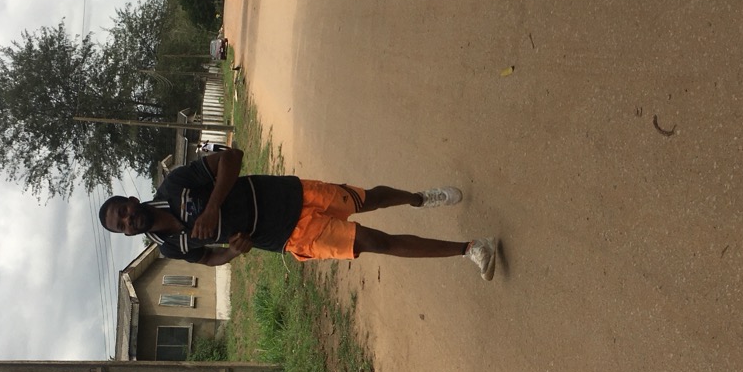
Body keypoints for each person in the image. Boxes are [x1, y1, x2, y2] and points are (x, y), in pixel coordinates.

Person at [98, 146, 497, 279]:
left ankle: (420, 198)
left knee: (368, 198)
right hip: (286, 236)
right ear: (127, 234)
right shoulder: (170, 248)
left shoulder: (174, 185)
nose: (128, 221)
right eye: (122, 227)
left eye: (124, 213)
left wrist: (214, 205)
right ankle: (471, 248)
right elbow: (212, 258)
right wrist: (236, 250)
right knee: (377, 242)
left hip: (288, 194)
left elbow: (231, 159)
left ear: (131, 201)